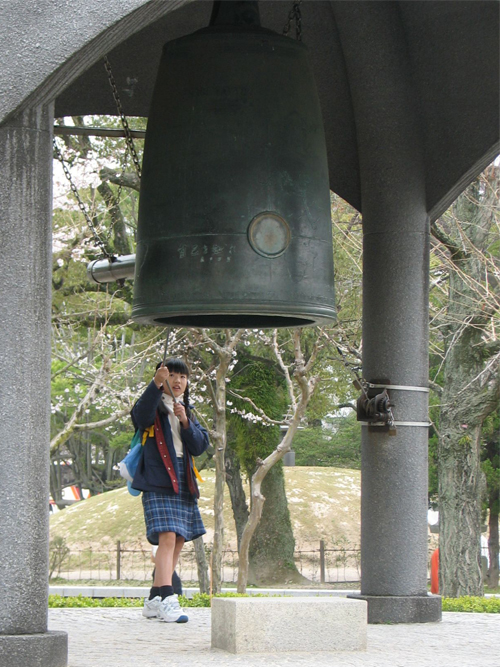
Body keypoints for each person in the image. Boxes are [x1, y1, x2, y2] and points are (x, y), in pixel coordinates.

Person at [131, 358, 209, 623]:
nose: (177, 381)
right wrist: (154, 384)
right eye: (172, 375)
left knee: (177, 539)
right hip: (157, 476)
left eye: (183, 377)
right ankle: (167, 596)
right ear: (162, 377)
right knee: (166, 537)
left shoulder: (185, 409)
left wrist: (185, 421)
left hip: (183, 477)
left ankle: (154, 597)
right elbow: (140, 418)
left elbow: (199, 446)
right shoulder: (151, 405)